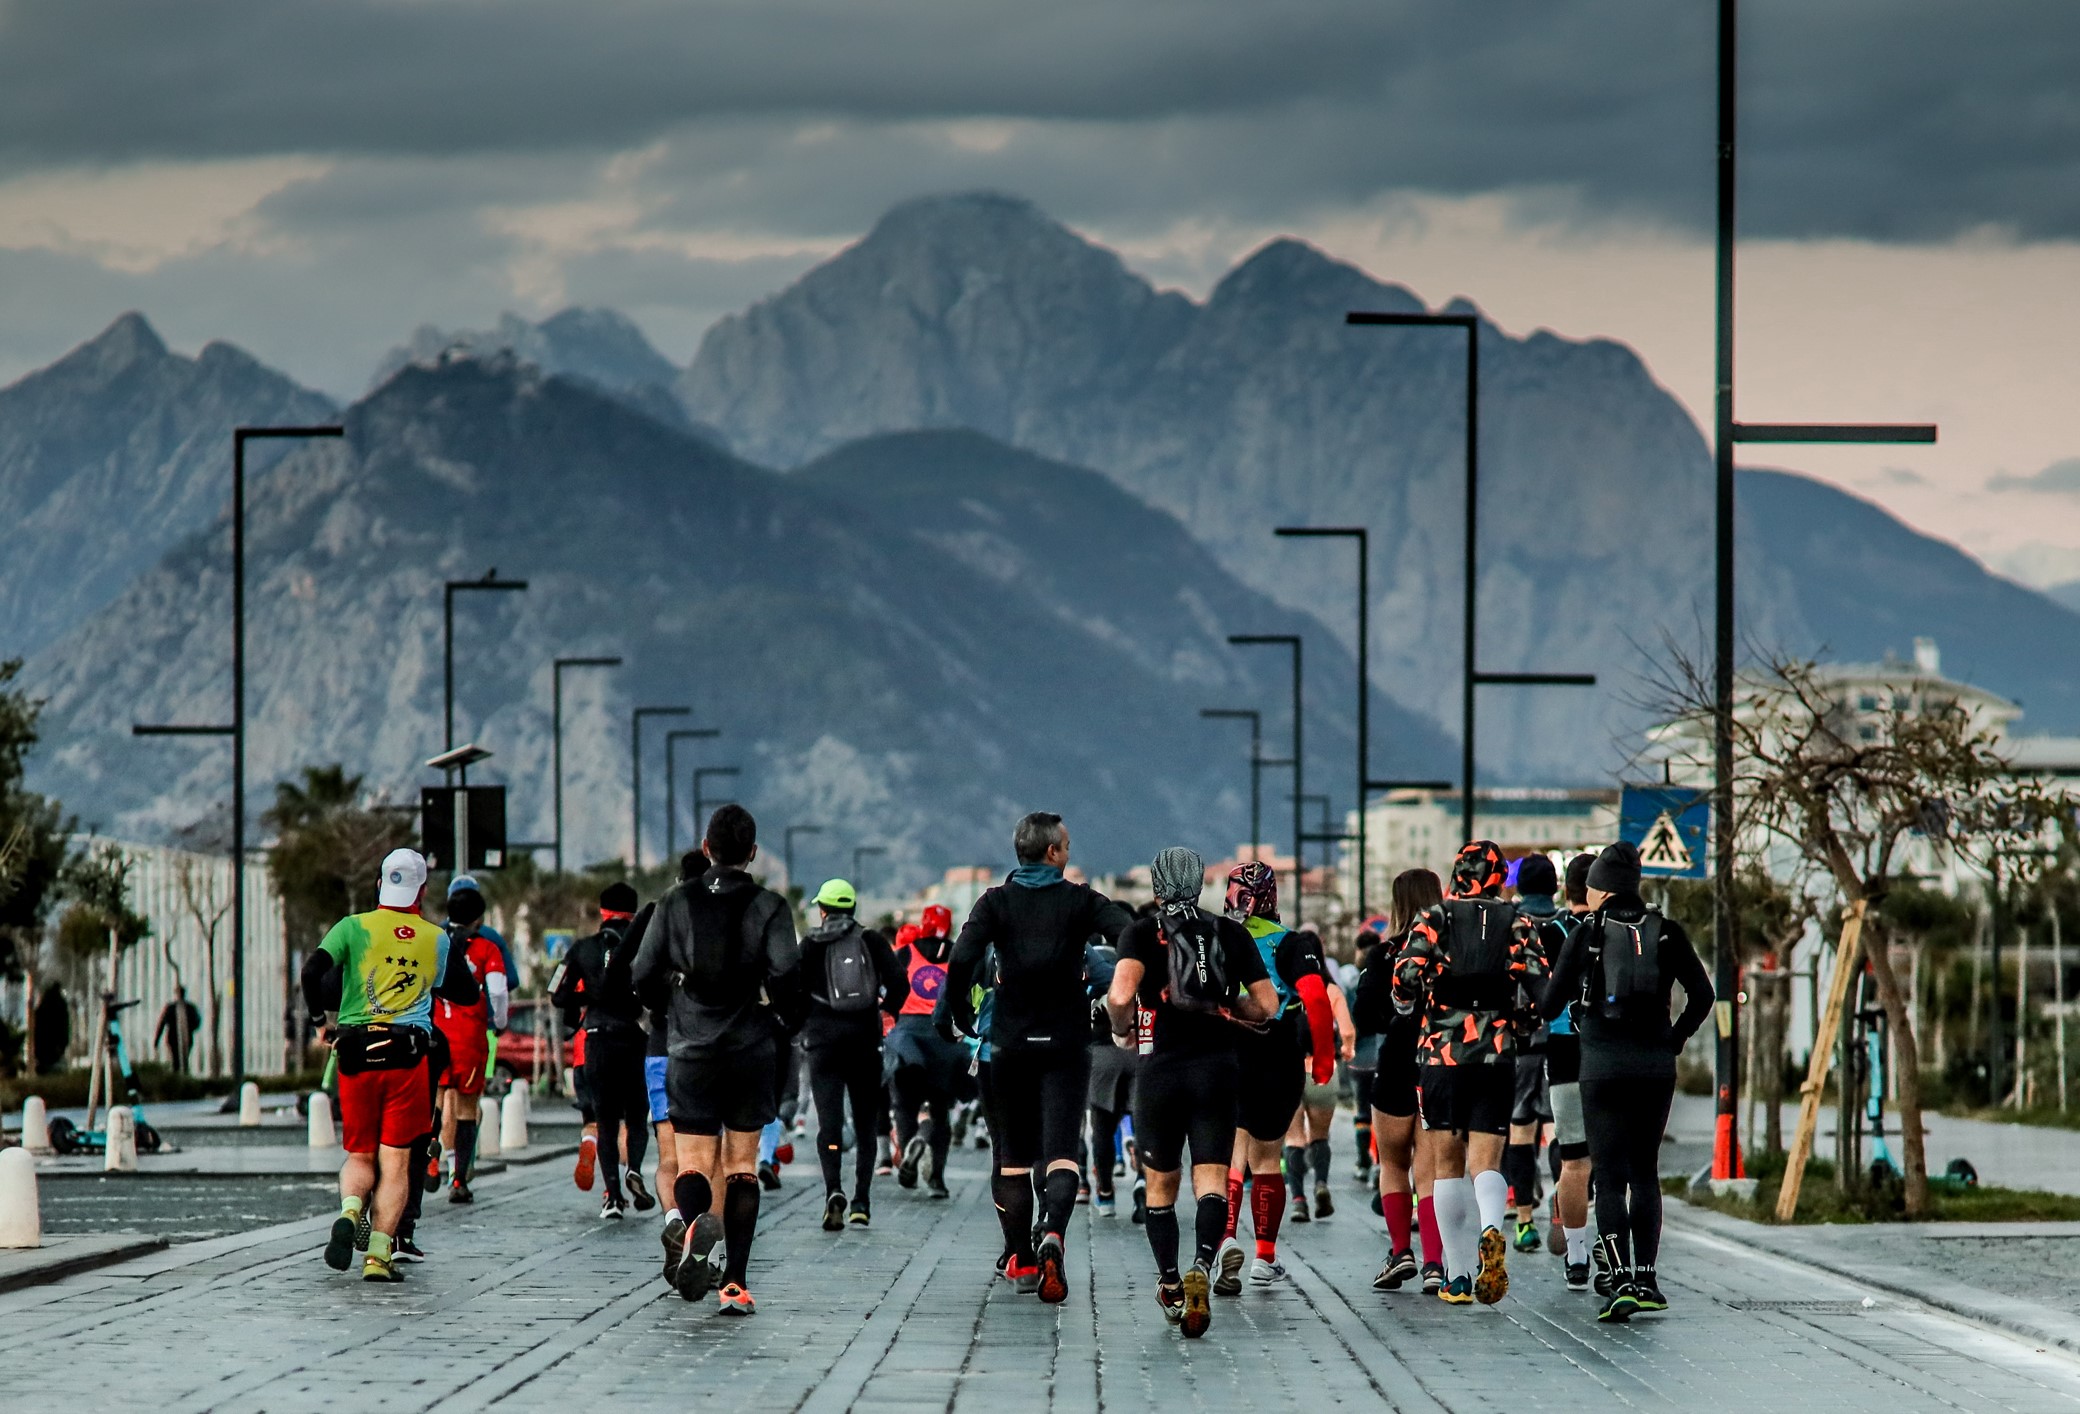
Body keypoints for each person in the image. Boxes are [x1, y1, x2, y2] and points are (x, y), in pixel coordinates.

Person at [936, 811, 1130, 1305]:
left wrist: (960, 1012)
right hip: (1066, 1047)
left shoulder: (995, 903)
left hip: (1008, 1049)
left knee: (1013, 1163)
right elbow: (1127, 931)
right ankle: (1054, 1236)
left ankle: (1020, 1258)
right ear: (1053, 853)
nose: (1069, 851)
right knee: (1062, 1153)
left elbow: (960, 960)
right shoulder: (1080, 900)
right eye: (1066, 845)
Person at [632, 805, 802, 1316]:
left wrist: (672, 1009)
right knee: (743, 1167)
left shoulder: (674, 901)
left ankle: (689, 1230)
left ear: (706, 848)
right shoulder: (770, 906)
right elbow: (787, 976)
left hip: (690, 1052)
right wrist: (785, 1024)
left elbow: (641, 973)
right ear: (752, 854)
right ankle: (734, 1283)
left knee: (694, 1164)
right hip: (749, 1050)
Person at [1107, 847, 1278, 1338]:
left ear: (1157, 887)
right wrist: (1230, 1007)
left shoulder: (1141, 932)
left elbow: (1120, 997)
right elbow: (1266, 1006)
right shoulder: (1229, 932)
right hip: (1218, 1070)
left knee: (1161, 1185)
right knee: (1211, 1178)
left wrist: (1121, 1029)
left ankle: (1170, 1283)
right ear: (1201, 884)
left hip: (1159, 1071)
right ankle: (1203, 1264)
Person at [1542, 840, 1713, 1322]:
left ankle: (1618, 1280)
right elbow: (1703, 993)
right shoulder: (1667, 931)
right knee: (1645, 1173)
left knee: (1611, 1176)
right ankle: (1647, 1277)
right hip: (1655, 1067)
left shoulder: (1587, 931)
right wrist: (1674, 1039)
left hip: (1601, 1067)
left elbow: (1550, 1005)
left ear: (1597, 890)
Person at [302, 848, 478, 1282]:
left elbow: (311, 973)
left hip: (356, 1054)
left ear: (381, 884)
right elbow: (469, 994)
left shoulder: (351, 927)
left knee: (360, 1155)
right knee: (397, 1162)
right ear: (422, 890)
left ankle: (348, 1212)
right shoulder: (435, 938)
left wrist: (320, 1023)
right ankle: (379, 1256)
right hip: (408, 1058)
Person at [1392, 840, 1548, 1307]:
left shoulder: (1436, 917)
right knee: (1486, 1160)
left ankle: (1456, 1277)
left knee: (1444, 1166)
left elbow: (1404, 976)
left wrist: (1411, 1003)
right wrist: (1520, 1025)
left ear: (1458, 873)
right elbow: (1537, 986)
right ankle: (1490, 1231)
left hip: (1441, 1057)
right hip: (1496, 1057)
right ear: (1501, 877)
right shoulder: (1517, 922)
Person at [1211, 861, 1335, 1294]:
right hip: (1278, 1053)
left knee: (1231, 1155)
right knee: (1267, 1157)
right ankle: (1264, 1256)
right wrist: (1323, 1058)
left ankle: (1224, 1238)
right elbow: (1317, 1000)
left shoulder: (1220, 938)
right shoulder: (1292, 943)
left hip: (1228, 1051)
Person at [1353, 869, 1445, 1294]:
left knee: (1392, 1164)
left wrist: (1393, 1017)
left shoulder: (1384, 952)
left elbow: (1364, 1015)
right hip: (1437, 1064)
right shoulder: (1448, 951)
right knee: (1429, 1172)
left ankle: (1399, 1251)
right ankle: (1433, 1264)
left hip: (1393, 1062)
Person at [799, 878, 909, 1230]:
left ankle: (834, 1189)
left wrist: (802, 1023)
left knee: (829, 1123)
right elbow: (900, 983)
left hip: (823, 1043)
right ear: (853, 908)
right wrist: (885, 1010)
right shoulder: (871, 940)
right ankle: (861, 1200)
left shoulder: (810, 944)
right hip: (864, 1040)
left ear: (823, 909)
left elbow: (788, 985)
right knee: (865, 1124)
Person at [551, 882, 654, 1218]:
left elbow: (557, 994)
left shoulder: (582, 949)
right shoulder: (644, 944)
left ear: (602, 912)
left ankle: (612, 1197)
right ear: (634, 913)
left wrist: (590, 998)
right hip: (635, 1036)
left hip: (596, 1038)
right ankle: (634, 1168)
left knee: (605, 1120)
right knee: (637, 1115)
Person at [433, 879, 510, 1204]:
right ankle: (458, 1179)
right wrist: (500, 1022)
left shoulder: (434, 942)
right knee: (466, 1109)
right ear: (479, 917)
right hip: (469, 1038)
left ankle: (431, 1162)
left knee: (435, 1104)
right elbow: (497, 990)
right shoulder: (486, 948)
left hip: (436, 1033)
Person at [889, 905, 968, 1200]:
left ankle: (911, 1147)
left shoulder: (906, 953)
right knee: (940, 1112)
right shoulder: (959, 954)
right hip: (944, 1038)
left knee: (904, 1106)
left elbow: (889, 990)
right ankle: (937, 1178)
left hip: (908, 1037)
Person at [1503, 858, 1560, 1254]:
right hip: (1560, 1043)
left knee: (1520, 1130)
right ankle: (1562, 1200)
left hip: (1518, 1044)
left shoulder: (1510, 924)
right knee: (1559, 1129)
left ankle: (1524, 1219)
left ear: (1519, 886)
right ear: (1556, 887)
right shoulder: (1567, 927)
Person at [1082, 933, 1138, 1217]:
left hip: (1100, 1052)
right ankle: (1144, 1182)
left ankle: (1105, 1193)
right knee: (1143, 1122)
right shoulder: (1128, 961)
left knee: (1102, 1126)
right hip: (1137, 1048)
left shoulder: (1085, 960)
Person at [154, 988, 202, 1073]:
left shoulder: (171, 1007)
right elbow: (197, 1022)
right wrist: (191, 1029)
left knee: (177, 1059)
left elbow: (161, 1024)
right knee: (183, 1059)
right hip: (184, 1036)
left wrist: (157, 1040)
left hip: (174, 1036)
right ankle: (183, 1075)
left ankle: (178, 1075)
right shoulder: (190, 1007)